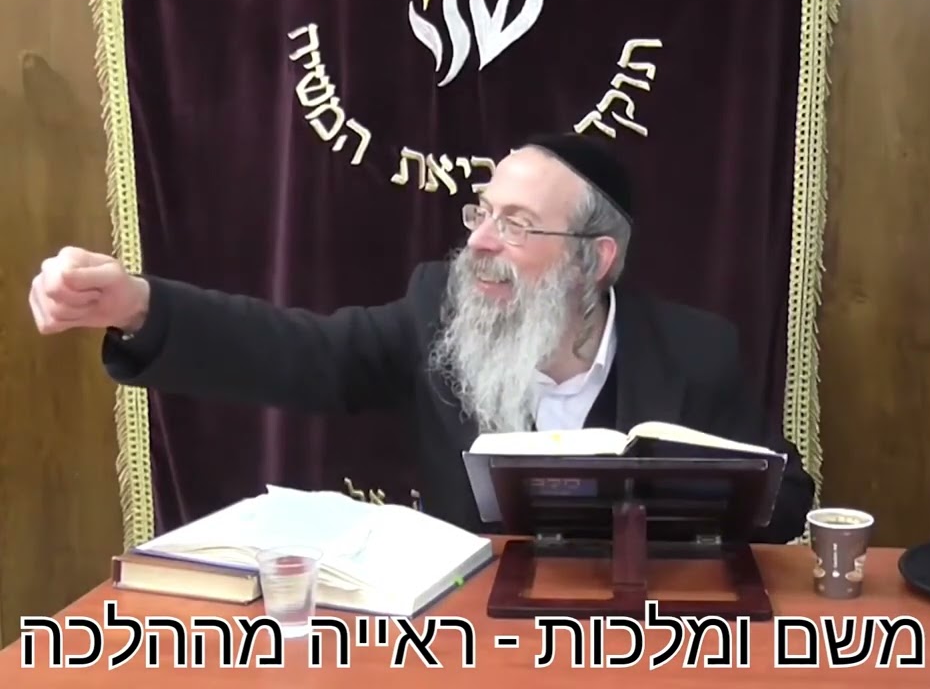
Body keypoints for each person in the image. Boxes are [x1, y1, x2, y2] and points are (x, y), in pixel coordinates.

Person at [28, 132, 814, 542]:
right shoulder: (439, 310)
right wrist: (139, 305)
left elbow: (784, 503)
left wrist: (701, 495)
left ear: (594, 260)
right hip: (473, 651)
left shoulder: (695, 352)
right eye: (483, 213)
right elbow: (302, 354)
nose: (480, 242)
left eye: (517, 225)